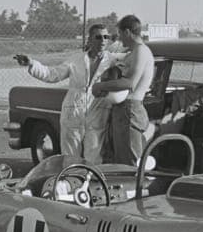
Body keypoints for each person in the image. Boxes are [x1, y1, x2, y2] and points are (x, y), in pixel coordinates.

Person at [14, 23, 122, 160]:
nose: (102, 40)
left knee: (94, 156)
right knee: (71, 156)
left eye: (106, 37)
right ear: (89, 39)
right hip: (73, 111)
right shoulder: (76, 60)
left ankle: (91, 180)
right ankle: (71, 180)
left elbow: (132, 61)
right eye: (98, 37)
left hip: (97, 111)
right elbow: (52, 75)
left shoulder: (112, 60)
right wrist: (31, 64)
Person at [92, 15, 154, 167]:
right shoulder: (133, 52)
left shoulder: (141, 51)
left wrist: (101, 87)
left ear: (127, 32)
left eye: (120, 34)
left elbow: (129, 82)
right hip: (124, 109)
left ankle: (134, 189)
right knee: (121, 157)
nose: (119, 38)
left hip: (130, 109)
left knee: (130, 161)